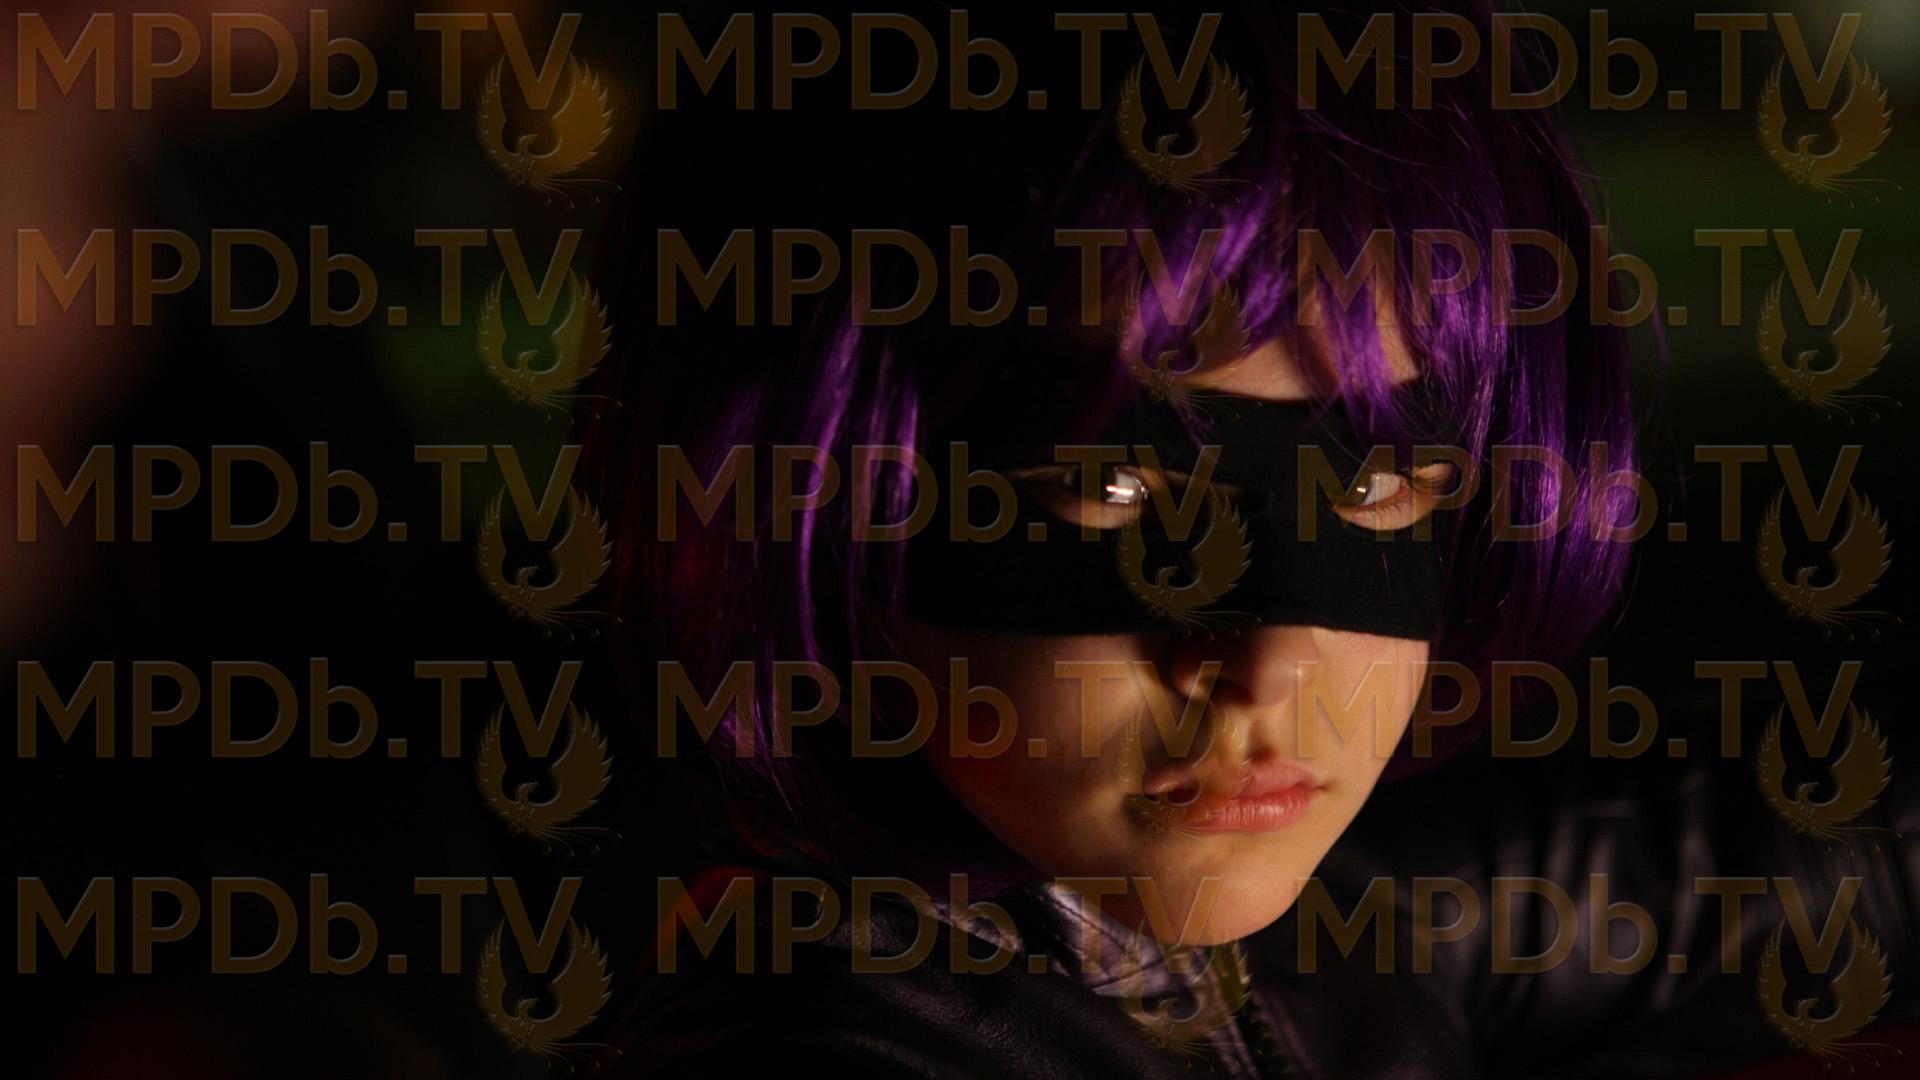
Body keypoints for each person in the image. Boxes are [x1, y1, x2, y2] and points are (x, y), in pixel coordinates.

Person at [579, 4, 1916, 1075]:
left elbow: (1793, 862)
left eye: (1381, 478)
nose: (1270, 662)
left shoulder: (1313, 945)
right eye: (1115, 486)